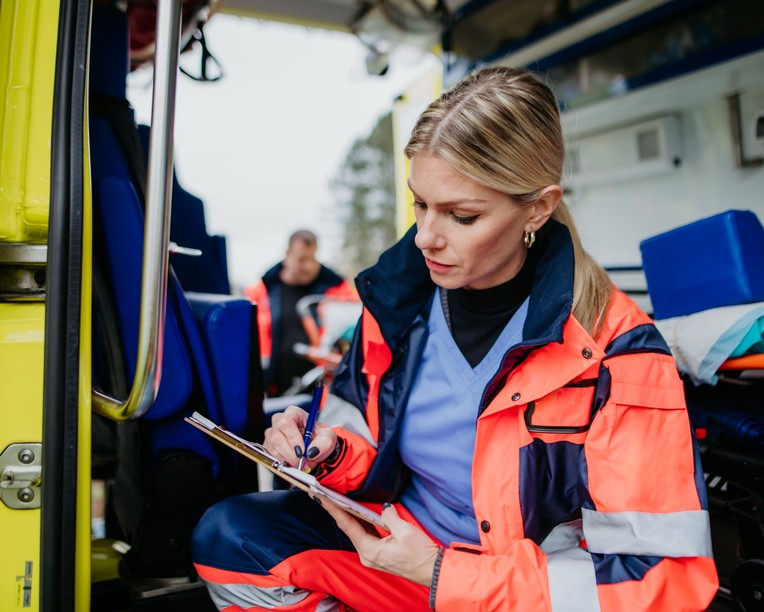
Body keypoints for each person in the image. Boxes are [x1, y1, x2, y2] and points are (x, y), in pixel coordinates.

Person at [193, 67, 719, 611]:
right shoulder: (396, 301)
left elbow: (663, 581)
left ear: (537, 207)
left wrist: (444, 573)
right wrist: (325, 452)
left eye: (461, 215)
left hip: (515, 591)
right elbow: (362, 438)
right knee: (230, 537)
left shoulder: (618, 350)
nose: (425, 237)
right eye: (420, 204)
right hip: (396, 555)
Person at [244, 230, 354, 396]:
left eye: (312, 258)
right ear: (287, 255)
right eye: (302, 259)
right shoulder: (260, 293)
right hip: (272, 388)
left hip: (323, 389)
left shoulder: (338, 291)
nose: (308, 266)